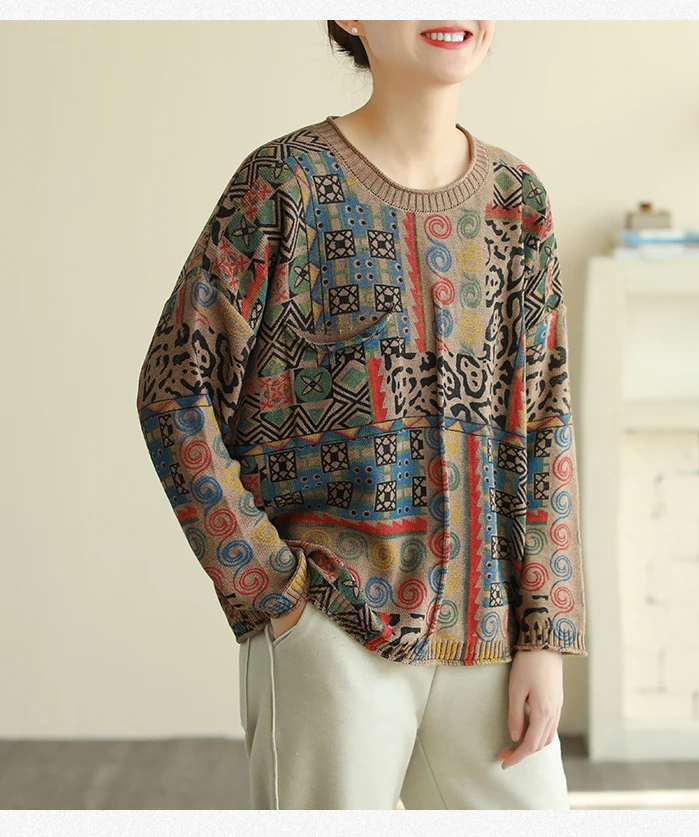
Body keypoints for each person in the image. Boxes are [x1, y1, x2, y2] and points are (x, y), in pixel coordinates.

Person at [135, 19, 587, 810]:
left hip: (489, 638)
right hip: (329, 629)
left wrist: (544, 634)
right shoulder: (284, 184)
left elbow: (544, 422)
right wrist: (271, 592)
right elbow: (175, 389)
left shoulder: (518, 203)